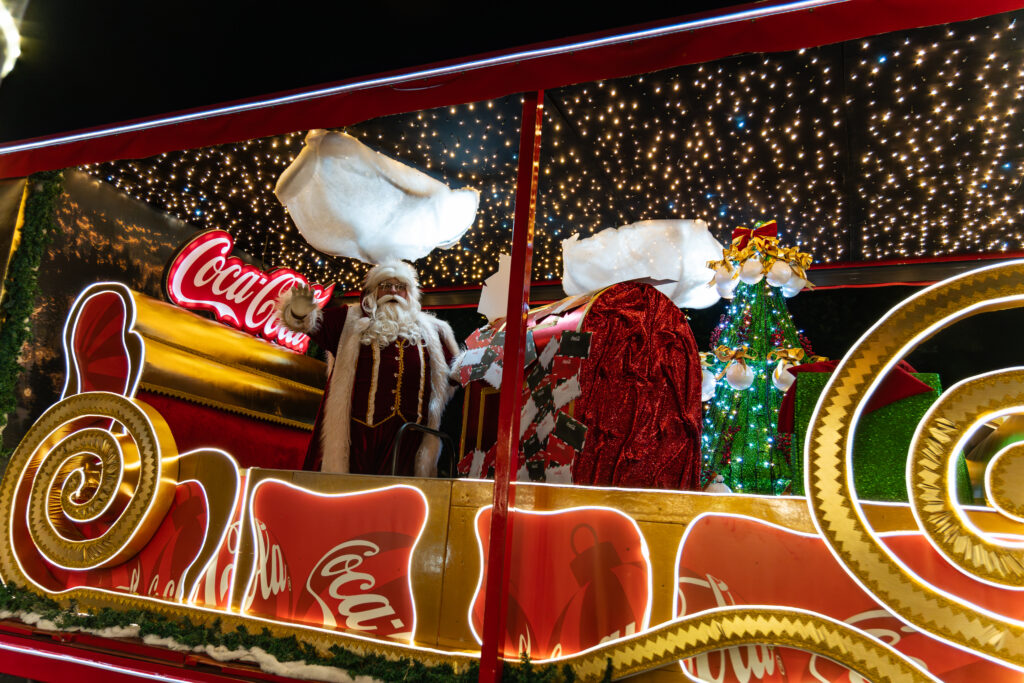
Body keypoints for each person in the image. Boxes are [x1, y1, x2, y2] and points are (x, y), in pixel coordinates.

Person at [276, 261, 459, 476]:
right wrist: (299, 313)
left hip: (410, 438)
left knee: (402, 493)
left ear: (410, 293)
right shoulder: (349, 319)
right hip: (358, 436)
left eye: (400, 286)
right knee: (353, 491)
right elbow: (315, 326)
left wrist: (476, 361)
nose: (393, 291)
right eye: (385, 285)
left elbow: (455, 373)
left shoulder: (434, 331)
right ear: (373, 291)